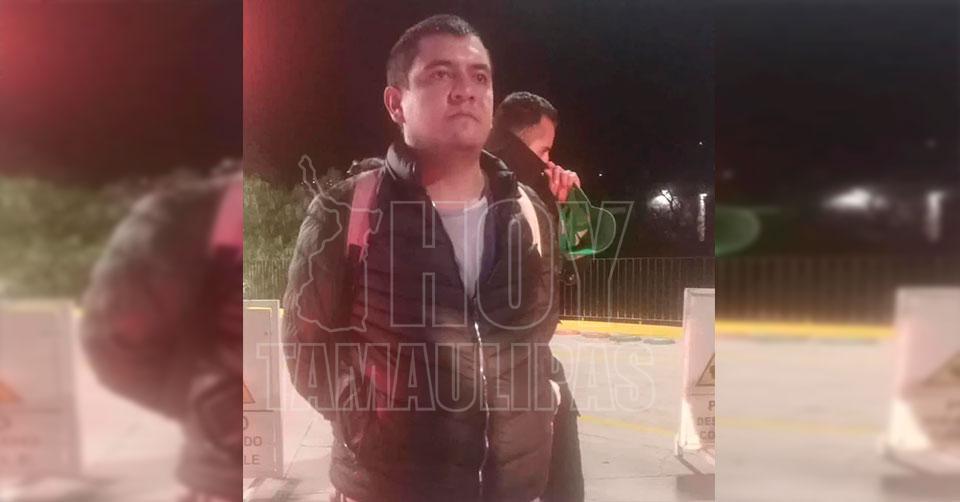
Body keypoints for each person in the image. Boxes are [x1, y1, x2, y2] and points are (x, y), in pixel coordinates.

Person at [283, 14, 562, 502]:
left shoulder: (527, 210)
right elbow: (305, 346)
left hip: (513, 488)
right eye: (440, 74)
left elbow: (541, 328)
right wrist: (366, 424)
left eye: (480, 76)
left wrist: (542, 401)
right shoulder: (347, 210)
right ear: (396, 103)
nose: (466, 90)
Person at [81, 166, 243, 502]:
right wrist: (197, 405)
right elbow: (114, 343)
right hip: (223, 470)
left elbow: (112, 342)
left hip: (223, 468)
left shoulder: (185, 214)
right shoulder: (179, 217)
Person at [488, 92, 587, 502]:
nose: (550, 163)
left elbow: (575, 254)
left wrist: (568, 206)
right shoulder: (498, 191)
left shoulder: (527, 192)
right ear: (516, 143)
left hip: (527, 363)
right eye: (544, 151)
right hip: (506, 371)